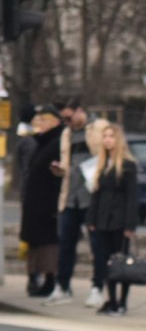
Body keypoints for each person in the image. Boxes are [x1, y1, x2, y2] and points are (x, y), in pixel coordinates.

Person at [44, 98, 99, 306]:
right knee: (66, 244)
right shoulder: (66, 134)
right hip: (69, 198)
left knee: (97, 246)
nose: (66, 121)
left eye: (68, 117)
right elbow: (68, 164)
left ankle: (97, 287)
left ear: (79, 111)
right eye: (63, 118)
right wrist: (60, 170)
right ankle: (63, 286)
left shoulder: (98, 128)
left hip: (91, 198)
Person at [86, 123, 139, 316]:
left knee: (121, 263)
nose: (108, 139)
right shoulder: (100, 164)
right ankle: (111, 299)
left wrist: (130, 225)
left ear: (118, 140)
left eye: (111, 136)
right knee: (105, 262)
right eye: (105, 136)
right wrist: (91, 220)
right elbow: (96, 195)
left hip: (120, 222)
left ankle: (122, 302)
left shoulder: (127, 165)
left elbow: (132, 197)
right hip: (101, 222)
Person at [19, 106, 64, 297]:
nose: (38, 125)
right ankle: (34, 278)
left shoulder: (56, 142)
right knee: (35, 243)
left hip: (47, 204)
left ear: (53, 122)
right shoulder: (38, 142)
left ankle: (50, 280)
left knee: (48, 244)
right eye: (37, 121)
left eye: (43, 121)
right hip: (34, 203)